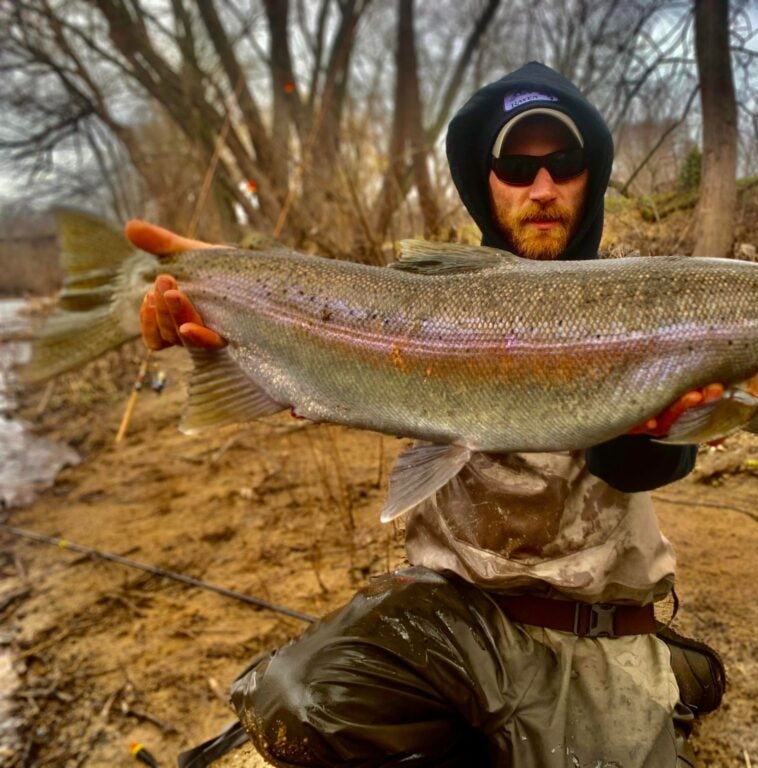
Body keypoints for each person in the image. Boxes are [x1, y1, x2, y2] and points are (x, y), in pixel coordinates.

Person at [133, 62, 725, 767]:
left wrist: (653, 426)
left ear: (589, 177)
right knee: (293, 704)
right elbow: (319, 337)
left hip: (594, 630)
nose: (542, 188)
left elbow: (643, 463)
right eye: (516, 166)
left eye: (564, 164)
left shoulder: (649, 314)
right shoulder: (417, 305)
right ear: (485, 182)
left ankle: (666, 671)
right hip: (452, 621)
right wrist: (227, 287)